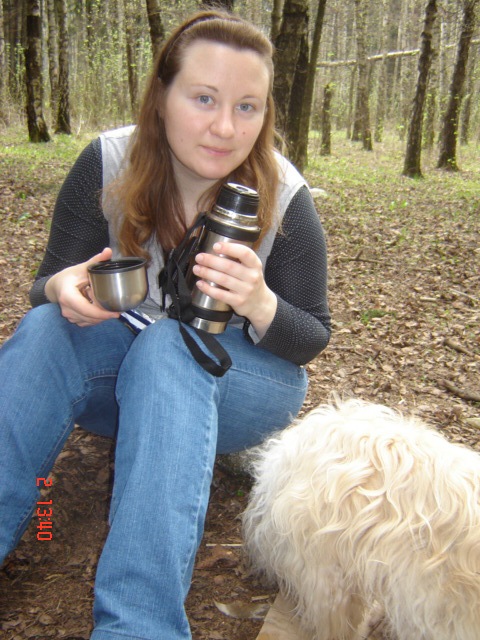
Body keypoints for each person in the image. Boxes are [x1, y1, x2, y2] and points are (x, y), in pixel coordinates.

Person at [0, 9, 330, 640]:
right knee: (45, 330)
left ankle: (138, 626)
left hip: (241, 386)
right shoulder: (108, 164)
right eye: (204, 98)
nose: (225, 127)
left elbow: (311, 336)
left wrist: (259, 301)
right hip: (123, 380)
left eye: (247, 106)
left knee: (168, 346)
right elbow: (45, 285)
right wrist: (59, 289)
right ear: (161, 96)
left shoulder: (283, 195)